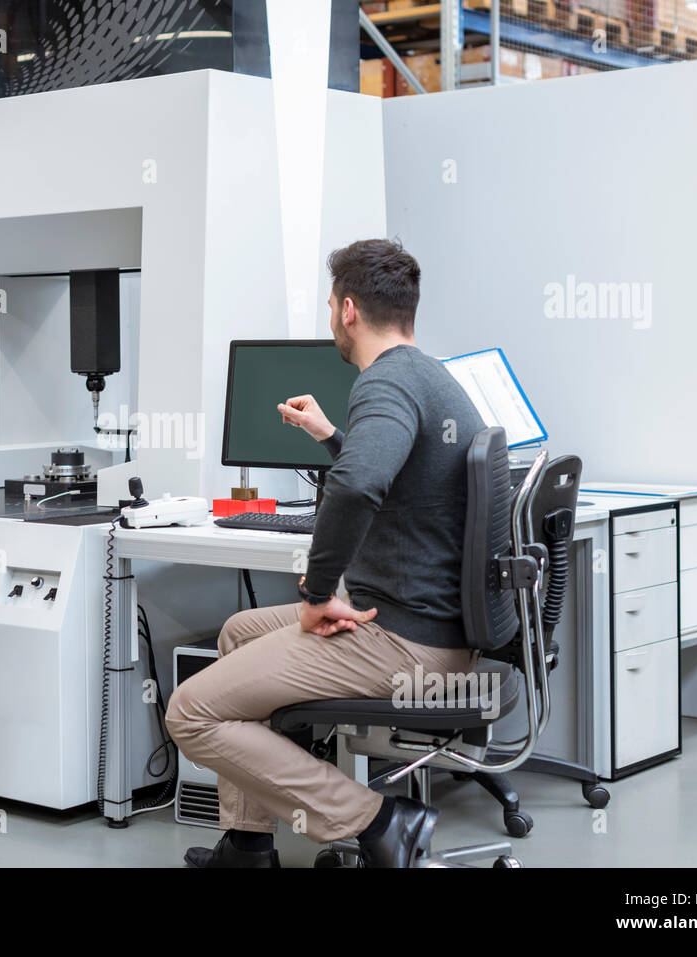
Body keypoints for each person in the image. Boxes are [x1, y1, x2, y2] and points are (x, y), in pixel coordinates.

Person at [166, 238, 485, 868]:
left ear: (345, 311)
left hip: (404, 640)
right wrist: (333, 437)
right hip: (424, 622)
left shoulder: (384, 383)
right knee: (237, 632)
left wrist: (316, 596)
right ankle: (249, 845)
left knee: (190, 713)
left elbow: (362, 486)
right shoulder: (429, 375)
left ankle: (378, 820)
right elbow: (396, 483)